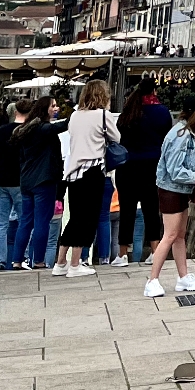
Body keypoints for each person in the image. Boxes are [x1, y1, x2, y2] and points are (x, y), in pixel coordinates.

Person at [53, 79, 120, 278]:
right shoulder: (102, 115)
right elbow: (117, 138)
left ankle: (60, 262)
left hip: (73, 172)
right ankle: (75, 264)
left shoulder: (74, 116)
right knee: (88, 217)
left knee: (75, 217)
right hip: (93, 170)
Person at [145, 105, 195, 297]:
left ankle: (183, 276)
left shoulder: (181, 131)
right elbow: (174, 168)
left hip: (178, 188)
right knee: (170, 235)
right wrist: (194, 177)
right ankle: (152, 280)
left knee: (179, 234)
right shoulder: (181, 135)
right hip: (172, 189)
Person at [115, 77, 170, 265]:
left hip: (127, 168)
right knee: (152, 211)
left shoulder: (129, 111)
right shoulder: (162, 112)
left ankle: (122, 254)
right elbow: (166, 138)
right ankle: (155, 251)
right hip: (152, 167)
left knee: (127, 212)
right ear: (154, 91)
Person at [11, 99, 65, 271]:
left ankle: (17, 260)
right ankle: (39, 260)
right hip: (44, 180)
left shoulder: (26, 130)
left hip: (26, 181)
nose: (56, 109)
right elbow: (62, 126)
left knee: (25, 221)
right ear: (44, 109)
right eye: (53, 106)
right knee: (42, 221)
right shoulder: (43, 128)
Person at [0, 98, 31, 272]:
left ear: (15, 112)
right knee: (25, 221)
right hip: (20, 181)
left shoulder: (3, 130)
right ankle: (22, 258)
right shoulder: (29, 132)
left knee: (0, 224)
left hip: (1, 180)